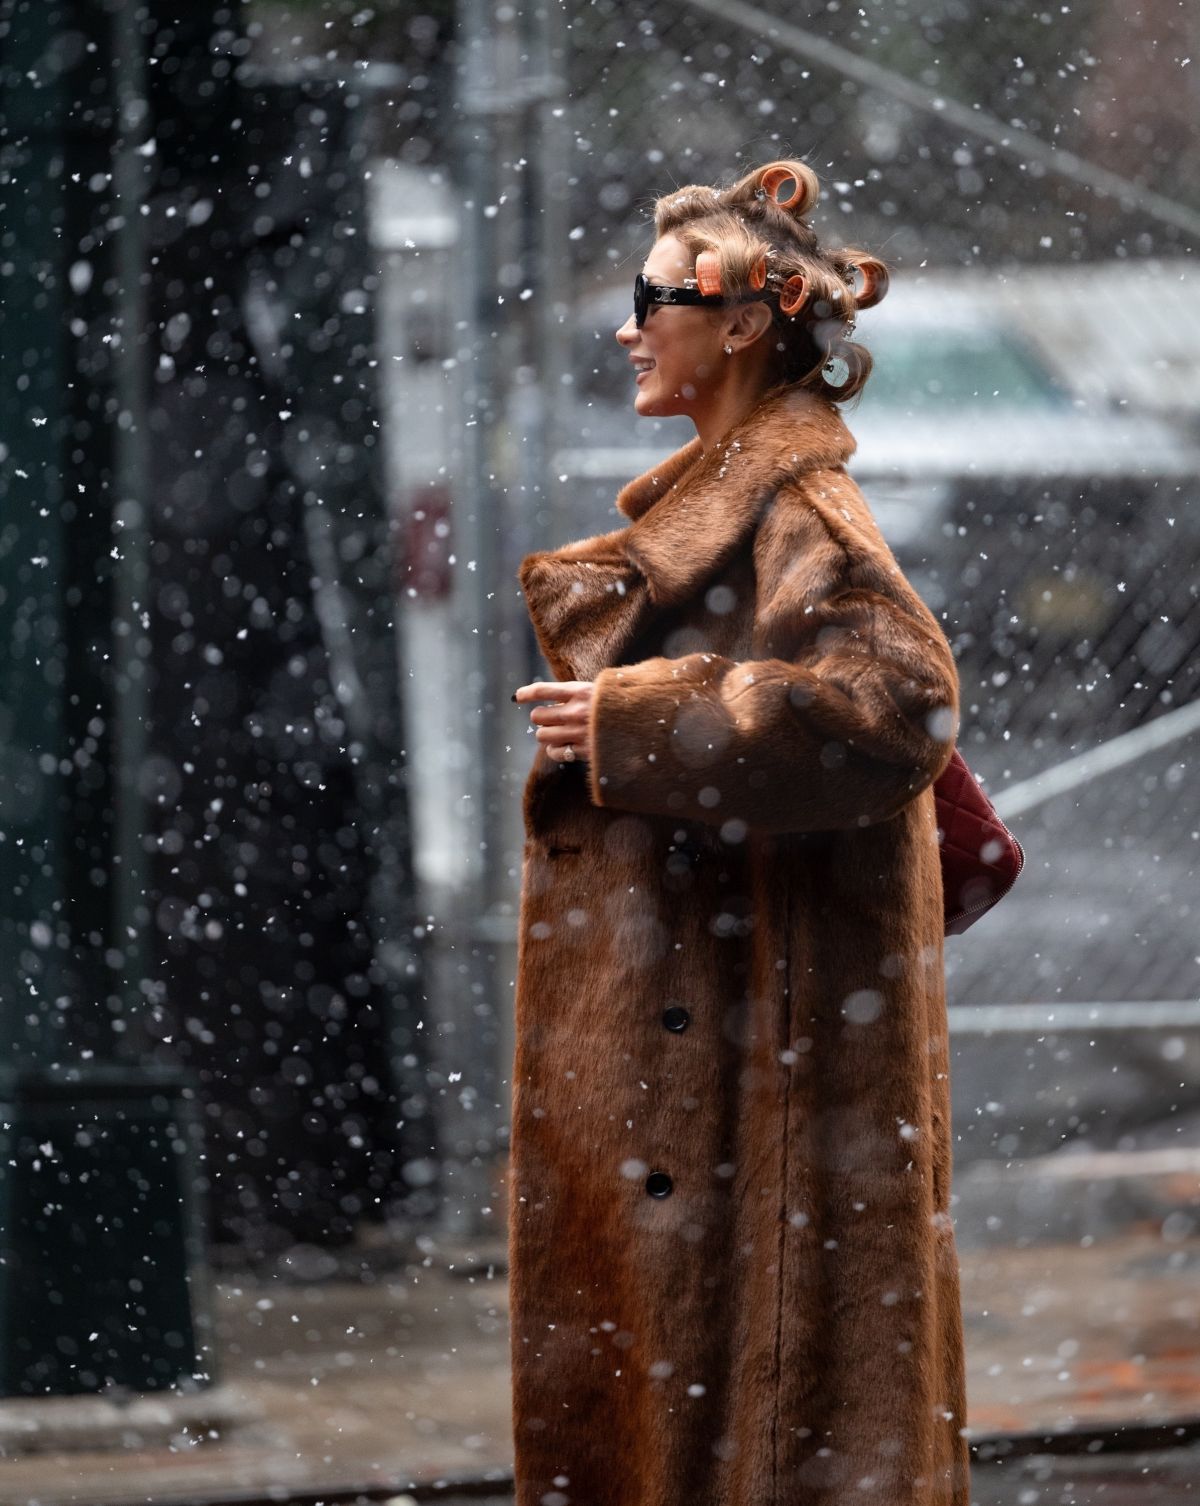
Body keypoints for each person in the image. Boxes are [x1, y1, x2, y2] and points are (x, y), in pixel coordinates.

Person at [509, 158, 968, 1506]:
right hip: (722, 1056)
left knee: (764, 1424)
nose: (630, 323)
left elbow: (904, 698)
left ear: (746, 321)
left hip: (758, 1076)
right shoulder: (730, 505)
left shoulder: (797, 505)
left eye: (658, 296)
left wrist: (640, 719)